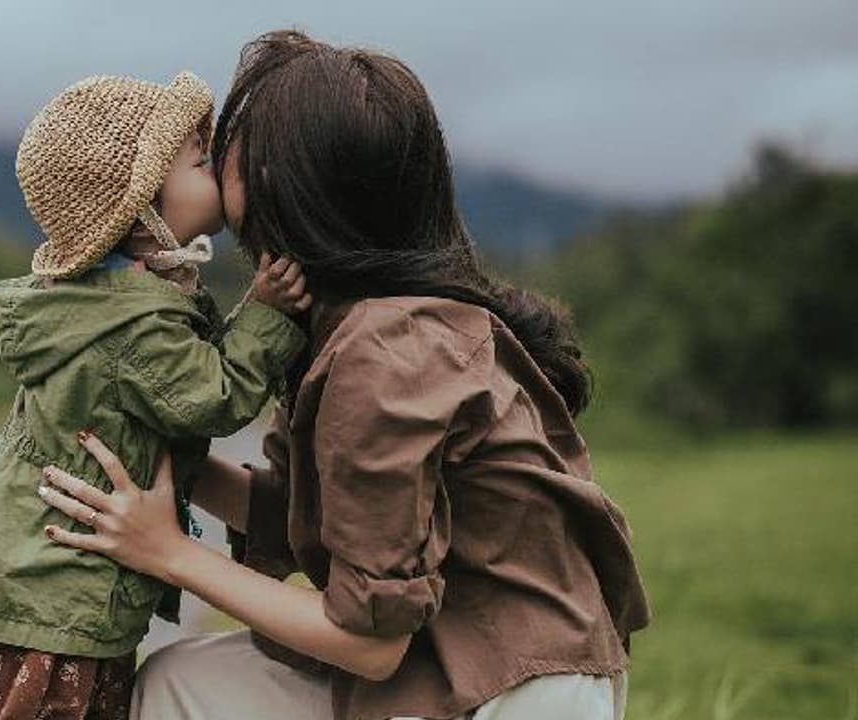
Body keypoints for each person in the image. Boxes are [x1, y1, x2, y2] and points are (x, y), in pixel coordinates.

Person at [36, 30, 651, 720]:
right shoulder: (358, 320)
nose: (209, 163)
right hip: (465, 658)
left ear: (281, 179)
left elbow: (370, 644)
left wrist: (168, 552)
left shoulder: (385, 352)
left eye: (225, 149)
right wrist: (159, 445)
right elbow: (320, 516)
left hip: (515, 691)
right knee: (179, 681)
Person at [0, 70, 312, 720]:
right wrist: (270, 315)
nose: (218, 167)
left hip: (43, 582)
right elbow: (212, 396)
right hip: (56, 595)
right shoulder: (132, 324)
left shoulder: (117, 298)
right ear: (141, 210)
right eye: (200, 160)